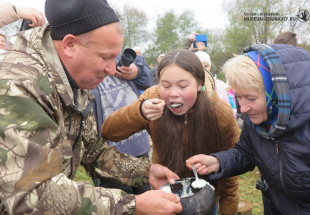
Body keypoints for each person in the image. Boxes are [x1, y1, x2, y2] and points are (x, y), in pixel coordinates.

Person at [0, 0, 183, 214]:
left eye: (115, 57)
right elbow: (33, 195)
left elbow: (94, 151)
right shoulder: (17, 85)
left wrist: (146, 172)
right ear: (70, 45)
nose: (112, 69)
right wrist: (133, 205)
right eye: (105, 57)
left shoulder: (73, 78)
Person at [102, 49, 239, 215]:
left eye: (182, 86)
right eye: (166, 86)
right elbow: (109, 132)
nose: (173, 94)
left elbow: (231, 173)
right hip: (165, 197)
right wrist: (139, 112)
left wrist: (228, 211)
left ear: (199, 84)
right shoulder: (152, 98)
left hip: (205, 199)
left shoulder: (220, 112)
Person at [186, 44, 310, 214]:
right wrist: (218, 162)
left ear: (278, 93)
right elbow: (247, 152)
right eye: (239, 97)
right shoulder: (258, 121)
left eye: (250, 98)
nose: (243, 108)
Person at [91, 49, 154, 195]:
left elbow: (150, 80)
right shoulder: (86, 64)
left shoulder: (121, 57)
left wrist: (137, 72)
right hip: (108, 153)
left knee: (146, 194)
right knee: (120, 201)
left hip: (138, 145)